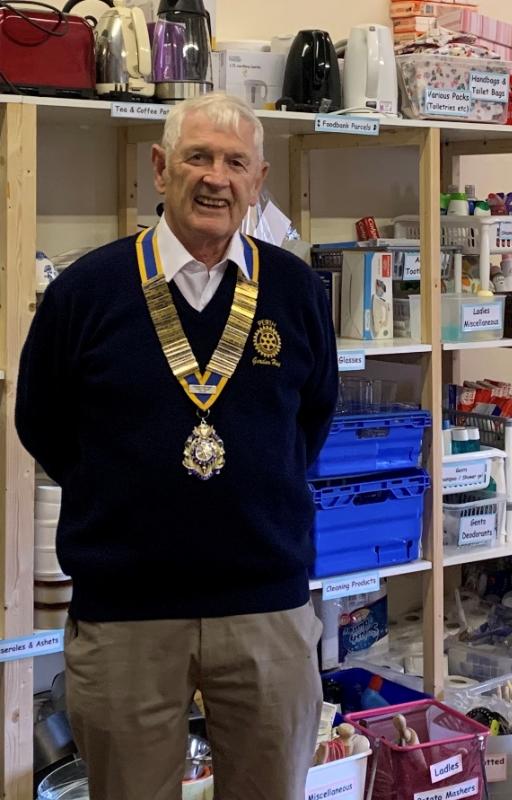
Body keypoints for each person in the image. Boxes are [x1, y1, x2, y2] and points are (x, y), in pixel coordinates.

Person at [16, 92, 338, 799]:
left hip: (266, 609)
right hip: (127, 614)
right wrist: (124, 489)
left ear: (259, 182)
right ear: (160, 170)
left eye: (234, 163)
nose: (215, 177)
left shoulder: (296, 291)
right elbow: (40, 423)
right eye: (197, 157)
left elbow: (312, 420)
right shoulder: (87, 291)